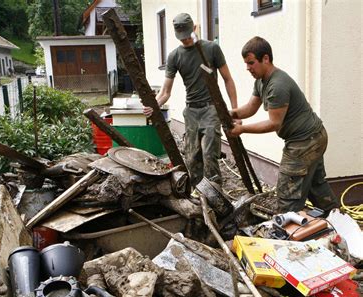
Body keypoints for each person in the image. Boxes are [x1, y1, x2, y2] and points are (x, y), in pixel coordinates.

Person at [228, 36, 338, 213]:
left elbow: (273, 123)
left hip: (305, 142)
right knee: (316, 187)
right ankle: (339, 221)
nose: (247, 68)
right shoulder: (261, 81)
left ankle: (288, 227)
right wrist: (231, 113)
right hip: (313, 136)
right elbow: (250, 107)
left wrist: (242, 129)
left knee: (288, 192)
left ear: (266, 58)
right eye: (246, 63)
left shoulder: (278, 85)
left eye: (251, 63)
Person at [144, 13, 237, 189]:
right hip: (191, 112)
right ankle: (199, 195)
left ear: (194, 28)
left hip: (211, 109)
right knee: (192, 158)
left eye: (187, 35)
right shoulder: (174, 56)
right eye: (182, 37)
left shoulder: (211, 49)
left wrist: (235, 110)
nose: (185, 40)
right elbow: (165, 92)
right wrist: (154, 107)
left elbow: (228, 79)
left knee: (209, 155)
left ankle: (216, 196)